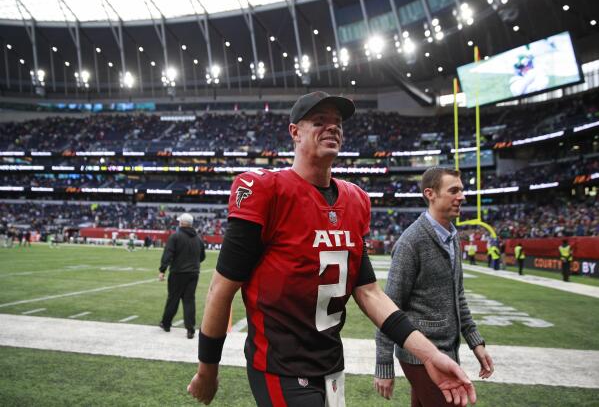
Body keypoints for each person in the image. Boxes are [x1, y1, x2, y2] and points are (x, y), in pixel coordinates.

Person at [187, 92, 477, 407]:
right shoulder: (266, 190)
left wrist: (430, 354)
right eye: (319, 121)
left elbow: (369, 293)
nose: (333, 128)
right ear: (295, 132)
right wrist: (207, 370)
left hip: (330, 364)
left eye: (337, 122)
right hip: (281, 366)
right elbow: (221, 289)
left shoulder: (355, 200)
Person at [374, 167, 494, 406]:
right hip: (419, 354)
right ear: (430, 194)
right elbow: (388, 307)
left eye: (461, 190)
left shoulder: (452, 236)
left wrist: (475, 342)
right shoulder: (411, 242)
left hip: (447, 350)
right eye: (454, 190)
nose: (462, 196)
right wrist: (384, 365)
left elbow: (457, 295)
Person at [159, 213, 206, 339]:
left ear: (181, 223)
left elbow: (168, 254)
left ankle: (166, 324)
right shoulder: (198, 238)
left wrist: (162, 270)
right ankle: (190, 329)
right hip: (193, 273)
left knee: (173, 298)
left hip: (178, 273)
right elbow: (202, 257)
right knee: (189, 300)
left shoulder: (175, 236)